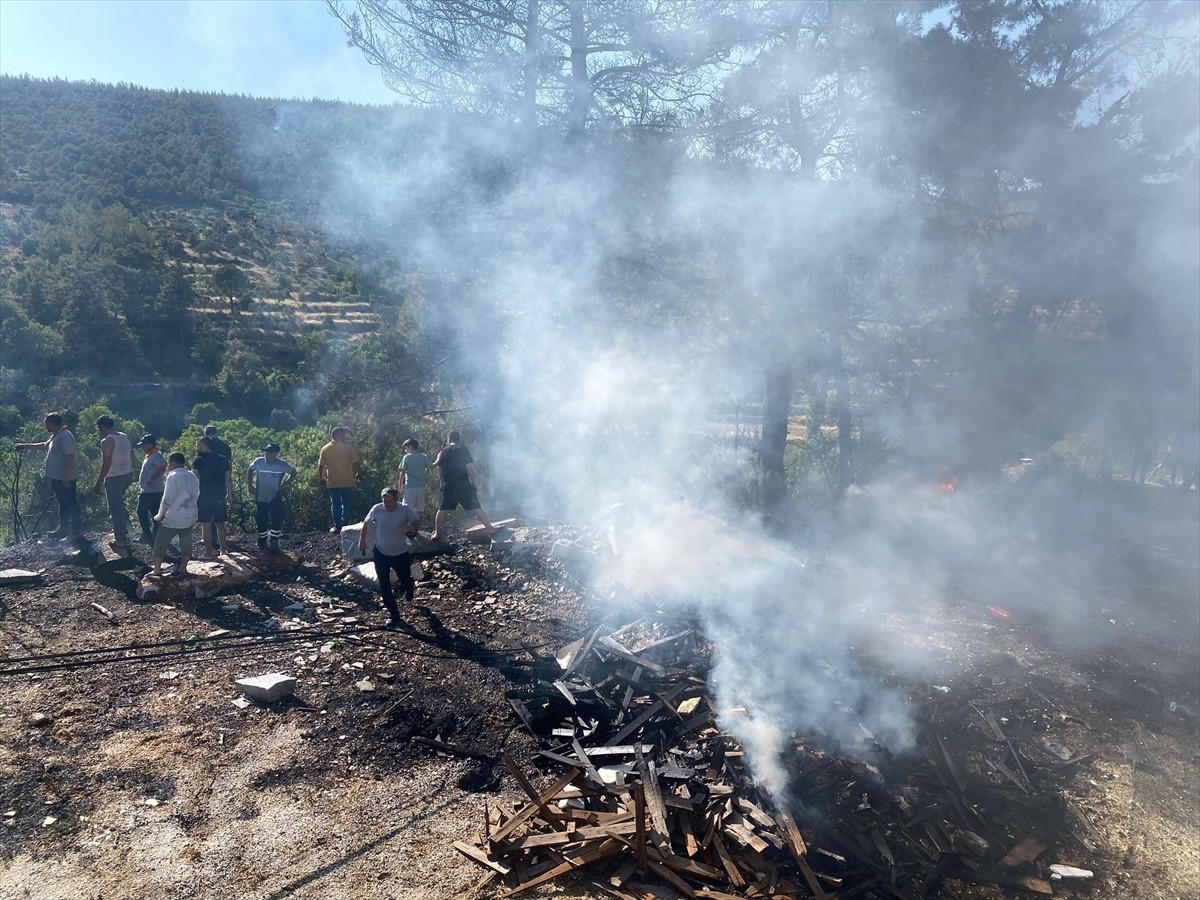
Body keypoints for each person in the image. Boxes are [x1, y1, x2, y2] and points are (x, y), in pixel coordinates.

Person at [14, 413, 83, 544]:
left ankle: (76, 532)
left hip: (65, 478)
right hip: (57, 478)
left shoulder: (65, 436)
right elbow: (44, 446)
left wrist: (67, 478)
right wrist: (24, 445)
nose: (45, 425)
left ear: (51, 423)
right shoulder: (56, 436)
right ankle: (62, 529)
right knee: (63, 504)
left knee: (72, 504)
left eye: (46, 423)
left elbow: (70, 457)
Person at [358, 487, 420, 628]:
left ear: (396, 500)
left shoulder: (404, 509)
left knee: (404, 578)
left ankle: (409, 587)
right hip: (380, 552)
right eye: (384, 501)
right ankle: (394, 614)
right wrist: (362, 541)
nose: (386, 504)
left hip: (400, 552)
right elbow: (366, 524)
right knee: (384, 584)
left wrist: (409, 526)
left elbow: (417, 524)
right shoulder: (377, 509)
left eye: (389, 501)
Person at [429, 430, 495, 542]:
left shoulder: (443, 451)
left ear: (449, 439)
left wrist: (441, 482)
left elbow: (440, 469)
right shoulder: (462, 450)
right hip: (463, 484)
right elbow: (469, 468)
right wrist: (474, 483)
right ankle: (489, 528)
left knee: (442, 509)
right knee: (476, 507)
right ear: (458, 440)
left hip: (449, 485)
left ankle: (437, 533)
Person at [91, 415, 136, 552]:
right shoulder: (124, 436)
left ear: (102, 427)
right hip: (126, 475)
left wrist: (98, 482)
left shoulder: (107, 441)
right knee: (120, 504)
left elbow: (107, 463)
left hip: (114, 477)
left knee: (115, 508)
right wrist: (129, 470)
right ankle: (125, 530)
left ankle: (121, 540)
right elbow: (132, 456)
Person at [151, 452, 200, 577]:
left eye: (168, 463)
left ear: (172, 463)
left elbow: (167, 499)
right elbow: (197, 493)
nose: (167, 466)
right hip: (190, 514)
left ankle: (157, 569)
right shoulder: (192, 475)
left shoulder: (173, 476)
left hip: (175, 515)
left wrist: (160, 515)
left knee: (161, 540)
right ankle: (183, 567)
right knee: (186, 540)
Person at [247, 442, 296, 551]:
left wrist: (284, 485)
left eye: (269, 452)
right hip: (261, 495)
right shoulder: (259, 462)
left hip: (275, 495)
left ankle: (274, 540)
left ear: (275, 454)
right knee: (261, 518)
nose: (266, 454)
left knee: (276, 517)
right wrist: (250, 485)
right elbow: (250, 470)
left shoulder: (281, 464)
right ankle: (262, 540)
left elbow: (293, 472)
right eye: (266, 451)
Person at [192, 435, 232, 558]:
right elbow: (228, 479)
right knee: (220, 523)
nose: (197, 448)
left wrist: (192, 497)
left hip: (203, 496)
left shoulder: (198, 460)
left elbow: (194, 479)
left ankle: (208, 552)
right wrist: (229, 495)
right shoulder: (223, 459)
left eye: (198, 445)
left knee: (206, 525)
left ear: (204, 445)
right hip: (220, 495)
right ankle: (223, 550)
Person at [318, 426, 360, 533]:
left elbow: (321, 466)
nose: (345, 437)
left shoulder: (325, 448)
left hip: (333, 481)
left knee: (335, 504)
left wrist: (321, 477)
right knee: (346, 503)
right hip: (347, 480)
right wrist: (357, 474)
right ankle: (345, 524)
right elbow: (355, 463)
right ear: (339, 435)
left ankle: (337, 526)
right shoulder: (348, 447)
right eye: (343, 435)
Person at [201, 425, 232, 551]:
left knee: (207, 519)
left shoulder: (204, 445)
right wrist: (229, 487)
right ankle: (222, 547)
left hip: (205, 485)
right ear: (216, 432)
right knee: (220, 518)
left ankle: (210, 541)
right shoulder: (225, 446)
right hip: (220, 484)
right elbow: (229, 467)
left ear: (205, 432)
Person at [135, 434, 167, 544]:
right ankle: (156, 535)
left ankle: (147, 536)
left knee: (141, 512)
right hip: (152, 490)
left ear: (149, 444)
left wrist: (151, 479)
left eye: (144, 445)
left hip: (150, 491)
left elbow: (162, 466)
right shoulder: (152, 455)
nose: (142, 447)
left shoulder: (155, 455)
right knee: (154, 513)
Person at [397, 437, 432, 525]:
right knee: (418, 509)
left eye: (406, 447)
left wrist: (400, 485)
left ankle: (408, 526)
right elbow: (432, 466)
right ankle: (415, 526)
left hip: (410, 487)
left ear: (410, 447)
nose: (405, 450)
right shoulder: (423, 456)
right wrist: (439, 458)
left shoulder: (407, 457)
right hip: (420, 487)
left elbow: (402, 472)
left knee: (407, 507)